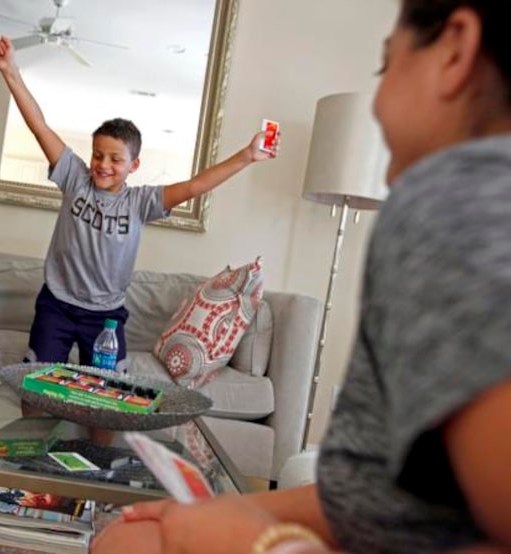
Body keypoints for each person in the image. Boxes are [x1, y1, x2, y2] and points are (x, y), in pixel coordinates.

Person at [91, 0, 511, 552]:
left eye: (387, 67)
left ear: (454, 51)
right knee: (128, 534)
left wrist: (263, 541)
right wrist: (237, 508)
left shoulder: (457, 199)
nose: (380, 104)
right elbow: (378, 494)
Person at [0, 37, 276, 375]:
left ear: (133, 166)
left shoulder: (140, 203)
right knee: (35, 384)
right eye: (98, 155)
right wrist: (10, 71)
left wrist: (247, 156)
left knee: (107, 399)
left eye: (115, 159)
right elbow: (39, 124)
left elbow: (195, 186)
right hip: (57, 307)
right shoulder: (74, 178)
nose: (103, 165)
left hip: (105, 317)